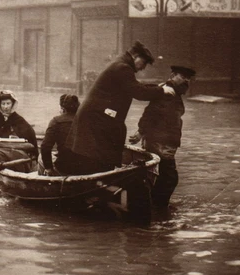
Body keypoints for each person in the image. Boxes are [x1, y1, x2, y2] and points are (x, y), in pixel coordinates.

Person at [66, 41, 176, 175]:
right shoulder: (123, 68)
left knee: (97, 156)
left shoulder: (120, 65)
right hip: (97, 121)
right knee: (97, 159)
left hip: (98, 119)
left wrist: (158, 87)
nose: (143, 68)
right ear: (135, 56)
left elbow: (136, 86)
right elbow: (138, 92)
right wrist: (161, 91)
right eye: (144, 62)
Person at [129, 65, 196, 208]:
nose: (186, 81)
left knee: (162, 176)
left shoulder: (173, 92)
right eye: (183, 77)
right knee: (169, 178)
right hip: (160, 142)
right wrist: (141, 132)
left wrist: (141, 132)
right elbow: (151, 113)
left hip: (165, 141)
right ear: (172, 75)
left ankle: (155, 206)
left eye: (188, 78)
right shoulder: (168, 92)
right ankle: (158, 209)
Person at [0, 90, 37, 173]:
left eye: (8, 103)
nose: (6, 107)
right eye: (3, 104)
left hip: (16, 151)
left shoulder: (19, 120)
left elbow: (31, 141)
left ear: (13, 104)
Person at [39, 94, 80, 176]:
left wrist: (48, 168)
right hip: (85, 167)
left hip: (64, 167)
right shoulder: (85, 120)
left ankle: (44, 182)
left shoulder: (56, 121)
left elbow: (45, 147)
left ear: (62, 108)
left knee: (40, 157)